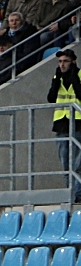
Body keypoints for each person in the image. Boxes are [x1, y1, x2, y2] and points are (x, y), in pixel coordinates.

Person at [48, 48, 81, 202]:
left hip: (78, 123)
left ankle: (77, 194)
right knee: (66, 163)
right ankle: (70, 195)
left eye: (65, 61)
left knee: (78, 164)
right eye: (60, 61)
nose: (62, 65)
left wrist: (74, 77)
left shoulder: (80, 75)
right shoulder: (58, 77)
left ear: (73, 62)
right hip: (61, 124)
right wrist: (56, 80)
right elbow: (51, 98)